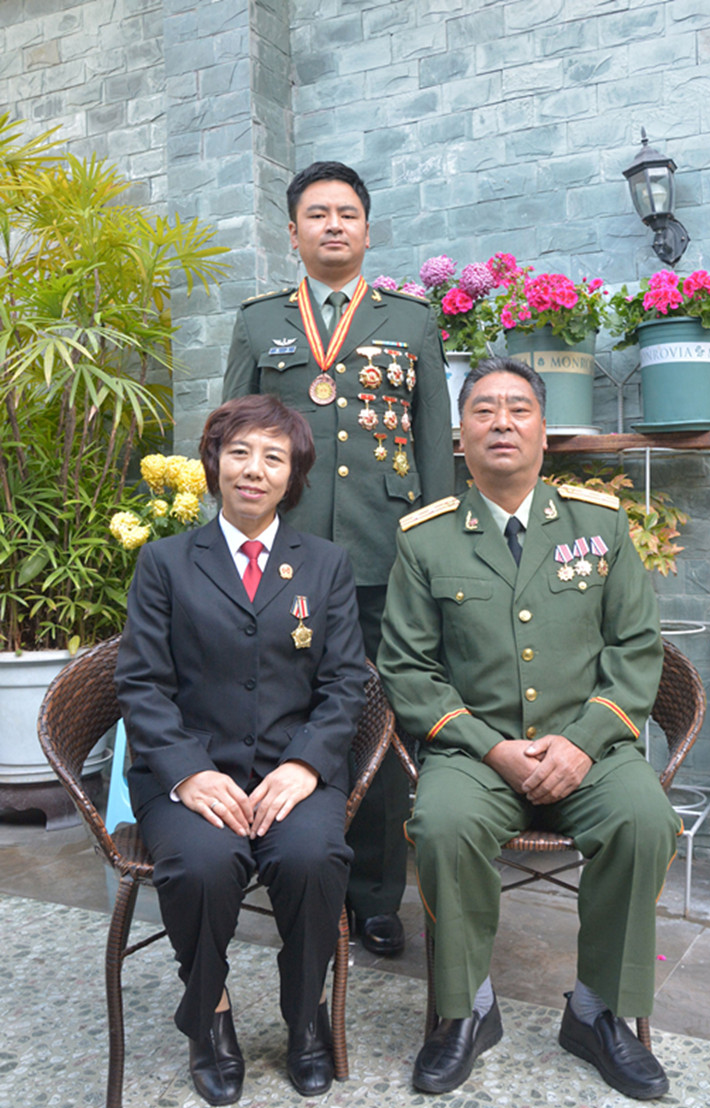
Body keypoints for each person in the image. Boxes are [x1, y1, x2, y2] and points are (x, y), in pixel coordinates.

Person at [377, 357, 682, 1099]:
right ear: (461, 436)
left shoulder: (599, 524)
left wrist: (582, 741)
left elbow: (637, 649)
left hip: (591, 746)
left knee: (644, 819)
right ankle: (466, 1011)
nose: (502, 422)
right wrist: (491, 747)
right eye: (483, 410)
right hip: (475, 753)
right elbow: (408, 668)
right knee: (443, 824)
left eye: (519, 408)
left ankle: (598, 1012)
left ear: (545, 431)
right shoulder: (426, 539)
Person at [222, 161, 454, 958]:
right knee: (282, 709)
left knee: (378, 720)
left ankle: (377, 895)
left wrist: (438, 550)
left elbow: (433, 446)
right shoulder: (259, 322)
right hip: (281, 556)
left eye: (346, 213)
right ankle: (291, 872)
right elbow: (230, 438)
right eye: (317, 214)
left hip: (385, 556)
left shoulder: (411, 321)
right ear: (292, 232)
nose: (332, 225)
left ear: (366, 229)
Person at [114, 395, 367, 1105]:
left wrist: (306, 764)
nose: (254, 470)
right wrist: (188, 772)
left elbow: (347, 681)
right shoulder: (165, 562)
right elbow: (141, 683)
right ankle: (211, 1012)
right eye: (239, 453)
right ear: (214, 464)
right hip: (188, 771)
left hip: (294, 770)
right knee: (201, 864)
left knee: (313, 858)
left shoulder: (326, 565)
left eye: (273, 457)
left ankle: (305, 1014)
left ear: (294, 475)